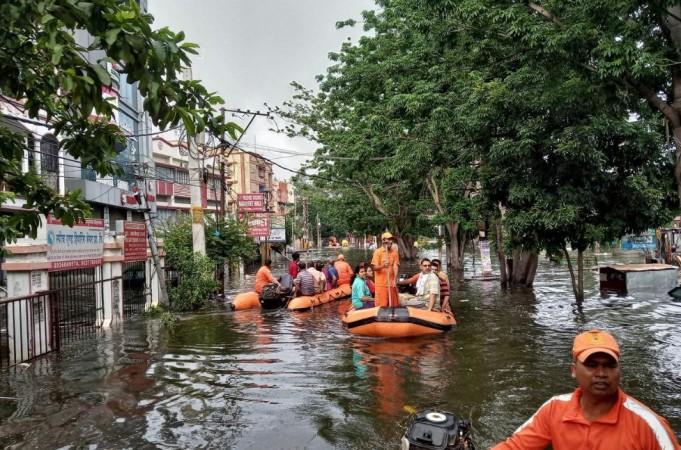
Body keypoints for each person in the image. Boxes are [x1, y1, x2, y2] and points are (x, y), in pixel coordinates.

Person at [492, 330, 681, 450]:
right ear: (574, 370)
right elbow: (515, 446)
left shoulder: (648, 424)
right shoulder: (554, 409)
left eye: (609, 365)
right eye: (591, 365)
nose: (601, 373)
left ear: (618, 371)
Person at [371, 231, 400, 307]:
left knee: (394, 305)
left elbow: (395, 266)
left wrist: (395, 279)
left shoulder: (395, 252)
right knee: (381, 306)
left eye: (391, 239)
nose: (391, 241)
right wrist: (383, 266)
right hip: (381, 285)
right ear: (383, 241)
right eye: (389, 239)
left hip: (391, 283)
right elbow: (374, 268)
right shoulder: (377, 252)